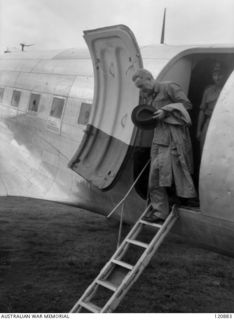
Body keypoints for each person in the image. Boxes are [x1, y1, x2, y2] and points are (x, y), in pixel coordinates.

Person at [132, 69, 197, 223]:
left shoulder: (169, 87)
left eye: (142, 86)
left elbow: (187, 105)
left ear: (150, 78)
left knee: (169, 171)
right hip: (159, 136)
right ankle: (162, 207)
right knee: (155, 175)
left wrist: (166, 111)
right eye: (139, 88)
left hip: (174, 135)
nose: (141, 90)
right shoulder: (149, 95)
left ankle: (164, 210)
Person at [196, 62, 226, 151]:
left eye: (220, 74)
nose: (217, 77)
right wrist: (199, 130)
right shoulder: (208, 91)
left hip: (224, 123)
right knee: (204, 147)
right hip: (209, 122)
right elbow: (202, 110)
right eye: (215, 75)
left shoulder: (230, 90)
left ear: (224, 75)